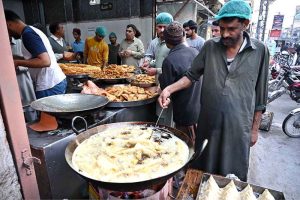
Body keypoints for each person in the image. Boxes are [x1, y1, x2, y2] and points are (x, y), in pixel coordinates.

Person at [158, 0, 269, 181]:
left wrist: (254, 130)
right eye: (222, 28)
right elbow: (190, 76)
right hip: (208, 124)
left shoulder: (259, 51)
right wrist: (168, 89)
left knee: (232, 177)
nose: (224, 34)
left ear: (245, 24)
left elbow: (261, 97)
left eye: (231, 29)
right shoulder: (210, 47)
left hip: (238, 127)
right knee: (203, 171)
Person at [5, 10, 67, 99]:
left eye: (6, 31)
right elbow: (35, 57)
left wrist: (17, 62)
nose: (8, 35)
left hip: (49, 85)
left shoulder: (28, 34)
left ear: (8, 24)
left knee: (48, 113)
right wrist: (16, 58)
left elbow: (45, 61)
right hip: (54, 81)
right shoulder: (32, 30)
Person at [159, 22, 201, 143]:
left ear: (166, 43)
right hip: (198, 110)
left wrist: (162, 81)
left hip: (184, 113)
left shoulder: (169, 60)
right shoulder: (195, 52)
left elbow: (165, 87)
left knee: (186, 146)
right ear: (183, 36)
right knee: (196, 142)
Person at [141, 12, 173, 77]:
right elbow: (159, 60)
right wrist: (148, 63)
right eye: (160, 27)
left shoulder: (173, 44)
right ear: (156, 27)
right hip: (158, 79)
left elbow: (173, 67)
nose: (162, 30)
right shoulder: (156, 43)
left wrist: (156, 70)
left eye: (165, 27)